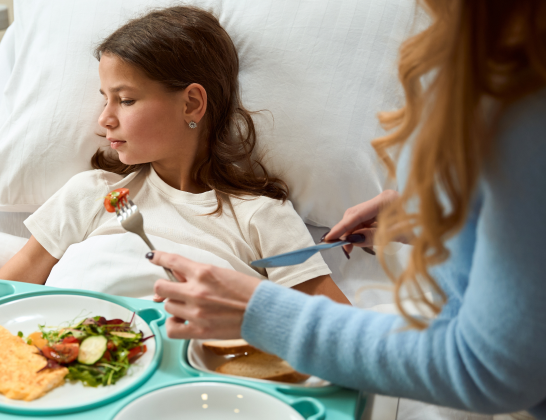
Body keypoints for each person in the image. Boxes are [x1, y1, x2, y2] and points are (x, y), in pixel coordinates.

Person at [148, 0, 546, 417]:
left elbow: (492, 368)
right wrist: (441, 218)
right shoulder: (487, 59)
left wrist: (264, 314)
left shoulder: (527, 112)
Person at [0, 7, 349, 311]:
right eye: (104, 99)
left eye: (124, 100)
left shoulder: (260, 217)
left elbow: (336, 330)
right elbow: (8, 289)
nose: (104, 119)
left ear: (192, 103)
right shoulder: (94, 195)